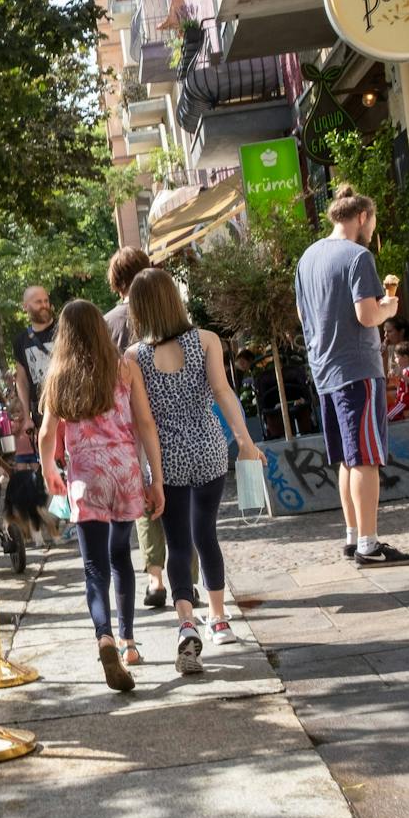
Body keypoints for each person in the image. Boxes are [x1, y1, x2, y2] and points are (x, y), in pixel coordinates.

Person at [126, 268, 265, 675]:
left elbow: (142, 422)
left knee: (177, 543)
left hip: (166, 458)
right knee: (207, 534)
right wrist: (245, 441)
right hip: (207, 450)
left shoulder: (134, 357)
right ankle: (219, 619)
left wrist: (143, 472)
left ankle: (186, 622)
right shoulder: (207, 341)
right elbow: (223, 392)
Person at [38, 300, 165, 689]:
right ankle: (128, 643)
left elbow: (46, 435)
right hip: (124, 471)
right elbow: (145, 422)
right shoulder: (125, 366)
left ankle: (104, 637)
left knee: (94, 568)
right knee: (121, 558)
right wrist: (155, 478)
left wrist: (49, 472)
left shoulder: (59, 375)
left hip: (86, 476)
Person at [294, 183, 409, 567]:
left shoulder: (308, 258)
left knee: (348, 459)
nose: (372, 227)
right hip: (357, 368)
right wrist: (389, 308)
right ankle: (368, 543)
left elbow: (302, 316)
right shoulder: (357, 256)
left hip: (324, 369)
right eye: (372, 220)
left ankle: (352, 537)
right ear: (361, 216)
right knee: (365, 458)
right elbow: (367, 315)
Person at [104, 246, 183, 606]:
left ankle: (156, 580)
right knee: (179, 493)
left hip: (130, 422)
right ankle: (188, 578)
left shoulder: (108, 323)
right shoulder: (162, 310)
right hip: (169, 413)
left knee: (145, 496)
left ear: (116, 282)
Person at [13, 285, 59, 440]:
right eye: (38, 302)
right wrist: (27, 417)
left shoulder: (64, 329)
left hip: (68, 407)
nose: (44, 305)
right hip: (41, 412)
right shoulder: (20, 341)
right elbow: (22, 380)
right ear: (25, 306)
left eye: (46, 300)